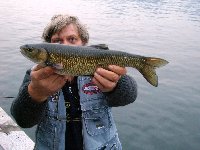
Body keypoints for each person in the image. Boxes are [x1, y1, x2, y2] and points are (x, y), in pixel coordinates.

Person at [11, 14, 137, 150]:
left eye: (72, 39)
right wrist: (35, 94)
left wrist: (115, 86)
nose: (65, 45)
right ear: (48, 46)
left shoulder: (102, 67)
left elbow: (130, 95)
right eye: (57, 41)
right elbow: (22, 120)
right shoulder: (35, 77)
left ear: (83, 42)